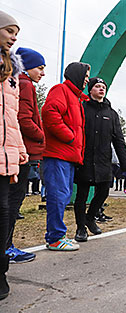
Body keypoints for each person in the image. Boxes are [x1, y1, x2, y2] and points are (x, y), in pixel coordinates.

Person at [73, 77, 126, 242]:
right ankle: (80, 228)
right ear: (90, 90)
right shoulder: (82, 108)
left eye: (103, 87)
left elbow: (119, 140)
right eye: (97, 86)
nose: (101, 89)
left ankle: (90, 218)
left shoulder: (111, 114)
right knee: (81, 196)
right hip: (84, 160)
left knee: (103, 191)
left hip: (104, 161)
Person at [41, 61, 90, 251]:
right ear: (76, 75)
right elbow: (50, 112)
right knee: (58, 195)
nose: (86, 81)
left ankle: (58, 235)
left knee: (64, 195)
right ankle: (54, 237)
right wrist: (69, 137)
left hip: (68, 156)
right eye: (85, 77)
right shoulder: (60, 90)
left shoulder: (76, 98)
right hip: (58, 154)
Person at [6, 47, 46, 264]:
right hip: (23, 151)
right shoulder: (24, 84)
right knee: (13, 201)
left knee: (12, 200)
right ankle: (7, 247)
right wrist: (42, 137)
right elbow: (24, 119)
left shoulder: (21, 83)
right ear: (27, 66)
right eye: (40, 68)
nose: (42, 73)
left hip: (20, 149)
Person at [0, 10, 28, 300]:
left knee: (5, 214)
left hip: (7, 156)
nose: (14, 36)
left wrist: (19, 150)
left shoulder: (12, 75)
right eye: (9, 30)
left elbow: (12, 118)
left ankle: (1, 273)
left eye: (16, 31)